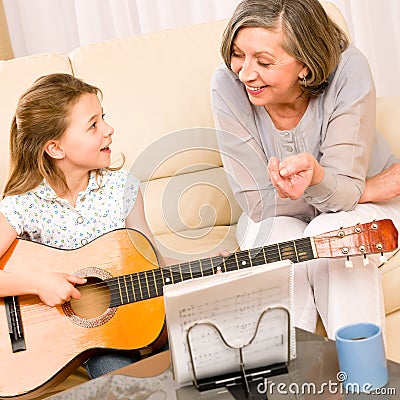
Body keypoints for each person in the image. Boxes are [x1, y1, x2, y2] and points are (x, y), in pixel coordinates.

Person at [210, 0, 400, 340]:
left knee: (334, 235)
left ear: (305, 65)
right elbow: (256, 203)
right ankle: (286, 384)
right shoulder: (226, 85)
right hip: (285, 214)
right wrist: (353, 186)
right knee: (275, 243)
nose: (245, 73)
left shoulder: (348, 68)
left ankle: (363, 383)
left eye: (264, 61)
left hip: (360, 212)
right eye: (238, 54)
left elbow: (344, 194)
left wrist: (330, 184)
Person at [0, 73, 166, 379]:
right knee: (121, 382)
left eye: (104, 118)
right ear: (55, 148)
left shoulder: (122, 188)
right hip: (88, 342)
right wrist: (37, 284)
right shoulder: (23, 204)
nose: (109, 130)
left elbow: (153, 260)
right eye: (93, 125)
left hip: (138, 320)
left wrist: (207, 270)